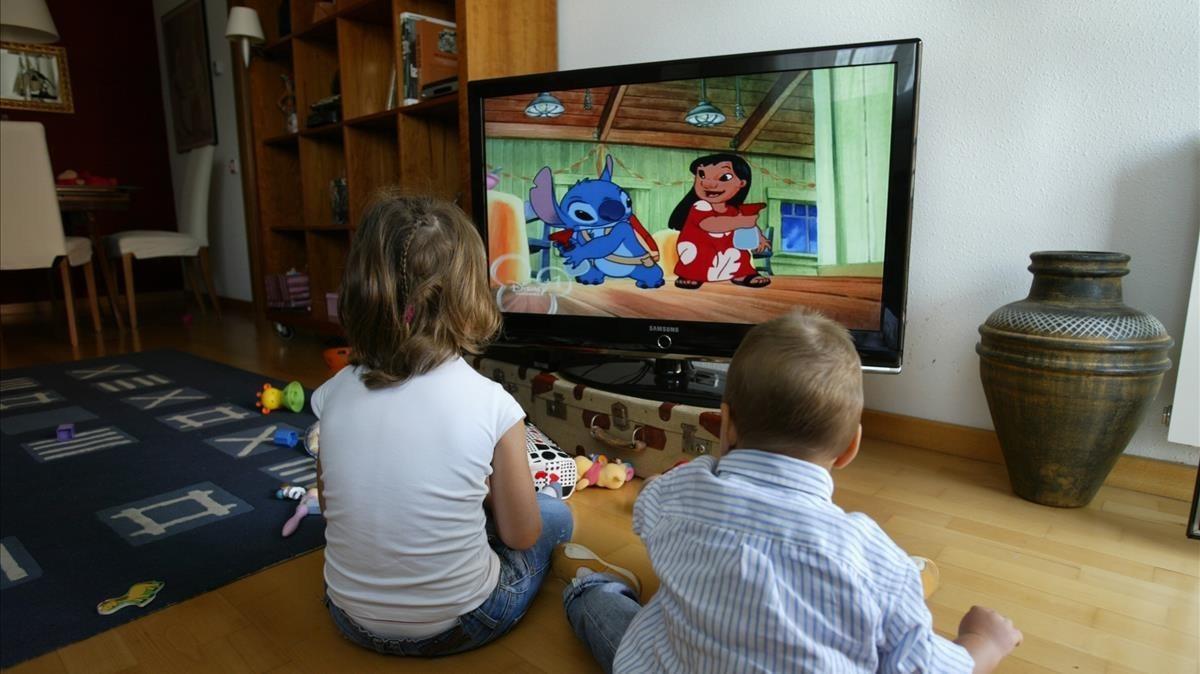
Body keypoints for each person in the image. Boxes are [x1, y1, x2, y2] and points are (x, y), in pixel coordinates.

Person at [555, 308, 1022, 673]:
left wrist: (667, 483)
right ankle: (900, 603)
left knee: (595, 606)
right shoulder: (869, 556)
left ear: (726, 424)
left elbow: (646, 510)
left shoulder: (682, 492)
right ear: (850, 447)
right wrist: (983, 643)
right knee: (887, 629)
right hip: (879, 585)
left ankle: (594, 585)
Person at [312, 192, 573, 656]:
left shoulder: (333, 394)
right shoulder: (492, 403)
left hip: (348, 616)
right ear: (469, 296)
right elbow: (521, 536)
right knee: (553, 515)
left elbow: (331, 510)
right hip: (462, 622)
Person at [667, 153, 771, 290]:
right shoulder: (700, 206)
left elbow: (749, 225)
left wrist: (760, 238)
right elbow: (709, 224)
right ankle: (691, 276)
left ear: (741, 183)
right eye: (702, 175)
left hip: (726, 253)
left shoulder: (734, 210)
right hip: (700, 250)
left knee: (739, 252)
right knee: (699, 256)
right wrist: (740, 222)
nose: (707, 183)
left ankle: (742, 274)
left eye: (724, 177)